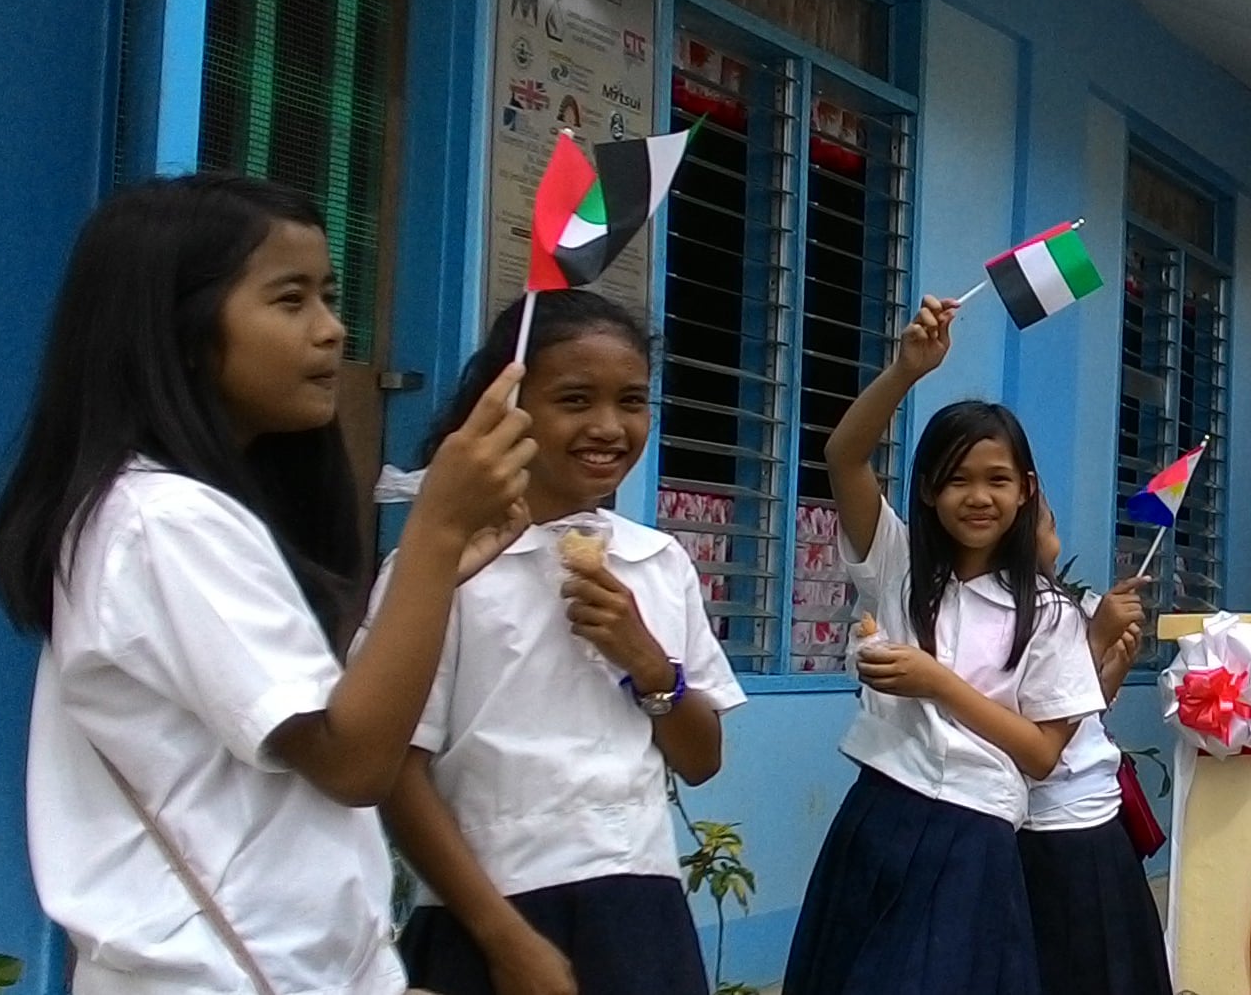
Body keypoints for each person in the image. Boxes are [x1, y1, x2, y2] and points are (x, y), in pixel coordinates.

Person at [0, 174, 536, 995]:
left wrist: (434, 572)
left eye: (330, 296)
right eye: (291, 300)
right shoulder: (164, 521)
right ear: (181, 333)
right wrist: (434, 535)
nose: (332, 331)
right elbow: (352, 762)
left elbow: (322, 740)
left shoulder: (175, 514)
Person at [384, 290, 743, 995]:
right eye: (575, 400)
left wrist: (647, 662)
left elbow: (701, 760)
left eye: (632, 401)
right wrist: (504, 939)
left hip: (639, 903)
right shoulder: (441, 569)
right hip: (488, 907)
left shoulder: (657, 562)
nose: (609, 427)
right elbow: (396, 770)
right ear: (510, 407)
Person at [783, 298, 1105, 995]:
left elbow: (1044, 754)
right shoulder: (896, 564)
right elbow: (844, 454)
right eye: (957, 479)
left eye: (996, 480)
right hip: (879, 811)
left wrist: (937, 682)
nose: (977, 497)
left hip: (974, 833)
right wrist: (906, 370)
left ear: (1026, 492)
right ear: (927, 490)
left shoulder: (1048, 614)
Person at [1022, 498, 1168, 995]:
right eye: (1047, 521)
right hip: (1053, 829)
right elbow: (1038, 733)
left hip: (1098, 819)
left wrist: (1115, 662)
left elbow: (1082, 715)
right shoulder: (1014, 617)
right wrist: (1096, 642)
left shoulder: (1065, 606)